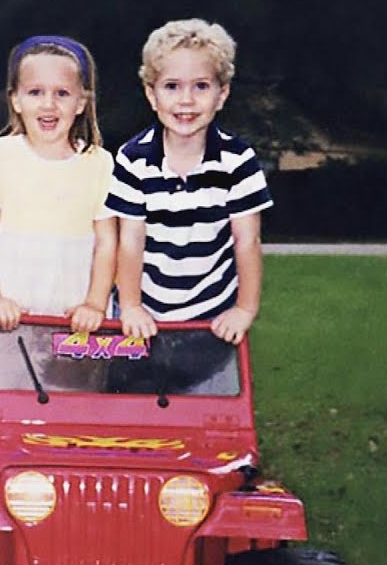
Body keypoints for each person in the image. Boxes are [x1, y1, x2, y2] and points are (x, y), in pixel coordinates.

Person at [0, 35, 116, 394]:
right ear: (16, 100)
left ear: (82, 101)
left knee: (66, 396)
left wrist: (95, 303)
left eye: (62, 93)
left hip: (69, 296)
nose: (48, 104)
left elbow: (106, 242)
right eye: (35, 92)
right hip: (8, 292)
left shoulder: (99, 163)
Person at [105, 19, 272, 346]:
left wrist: (244, 309)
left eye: (201, 86)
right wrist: (131, 306)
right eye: (171, 86)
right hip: (143, 312)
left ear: (222, 95)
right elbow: (131, 241)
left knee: (206, 394)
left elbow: (247, 241)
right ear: (151, 95)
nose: (186, 100)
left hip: (213, 314)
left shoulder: (237, 161)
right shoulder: (132, 159)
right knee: (133, 393)